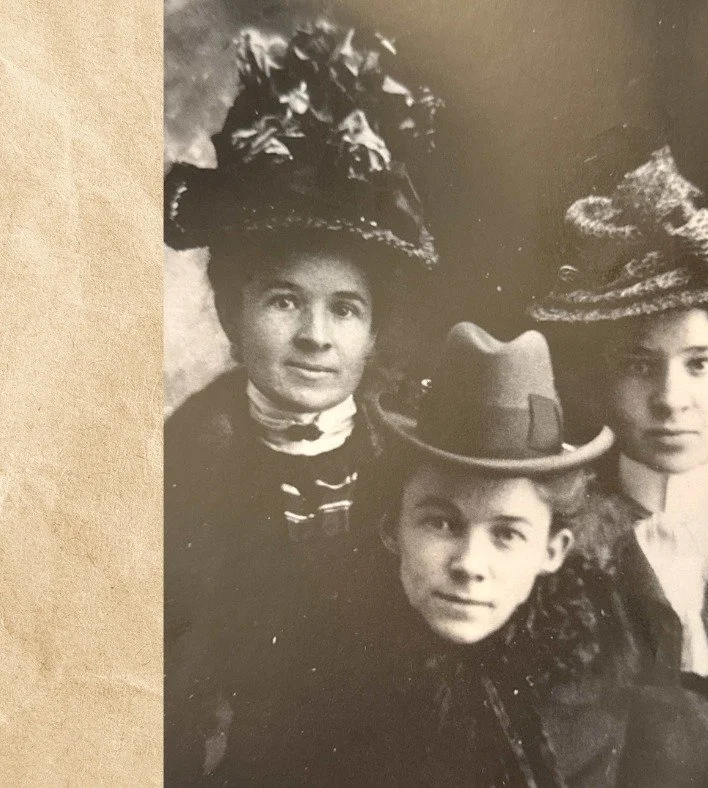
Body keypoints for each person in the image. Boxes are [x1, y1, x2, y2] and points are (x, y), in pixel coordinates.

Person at [162, 19, 441, 782]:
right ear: (229, 311)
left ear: (376, 330)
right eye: (284, 301)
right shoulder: (178, 461)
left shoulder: (418, 457)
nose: (317, 337)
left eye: (346, 309)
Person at [530, 147, 708, 787]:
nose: (670, 399)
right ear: (604, 381)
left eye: (700, 364)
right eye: (640, 365)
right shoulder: (548, 542)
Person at [313, 321, 635, 786]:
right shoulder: (322, 691)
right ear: (392, 529)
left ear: (553, 550)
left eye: (506, 534)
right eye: (441, 523)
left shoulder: (609, 712)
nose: (469, 565)